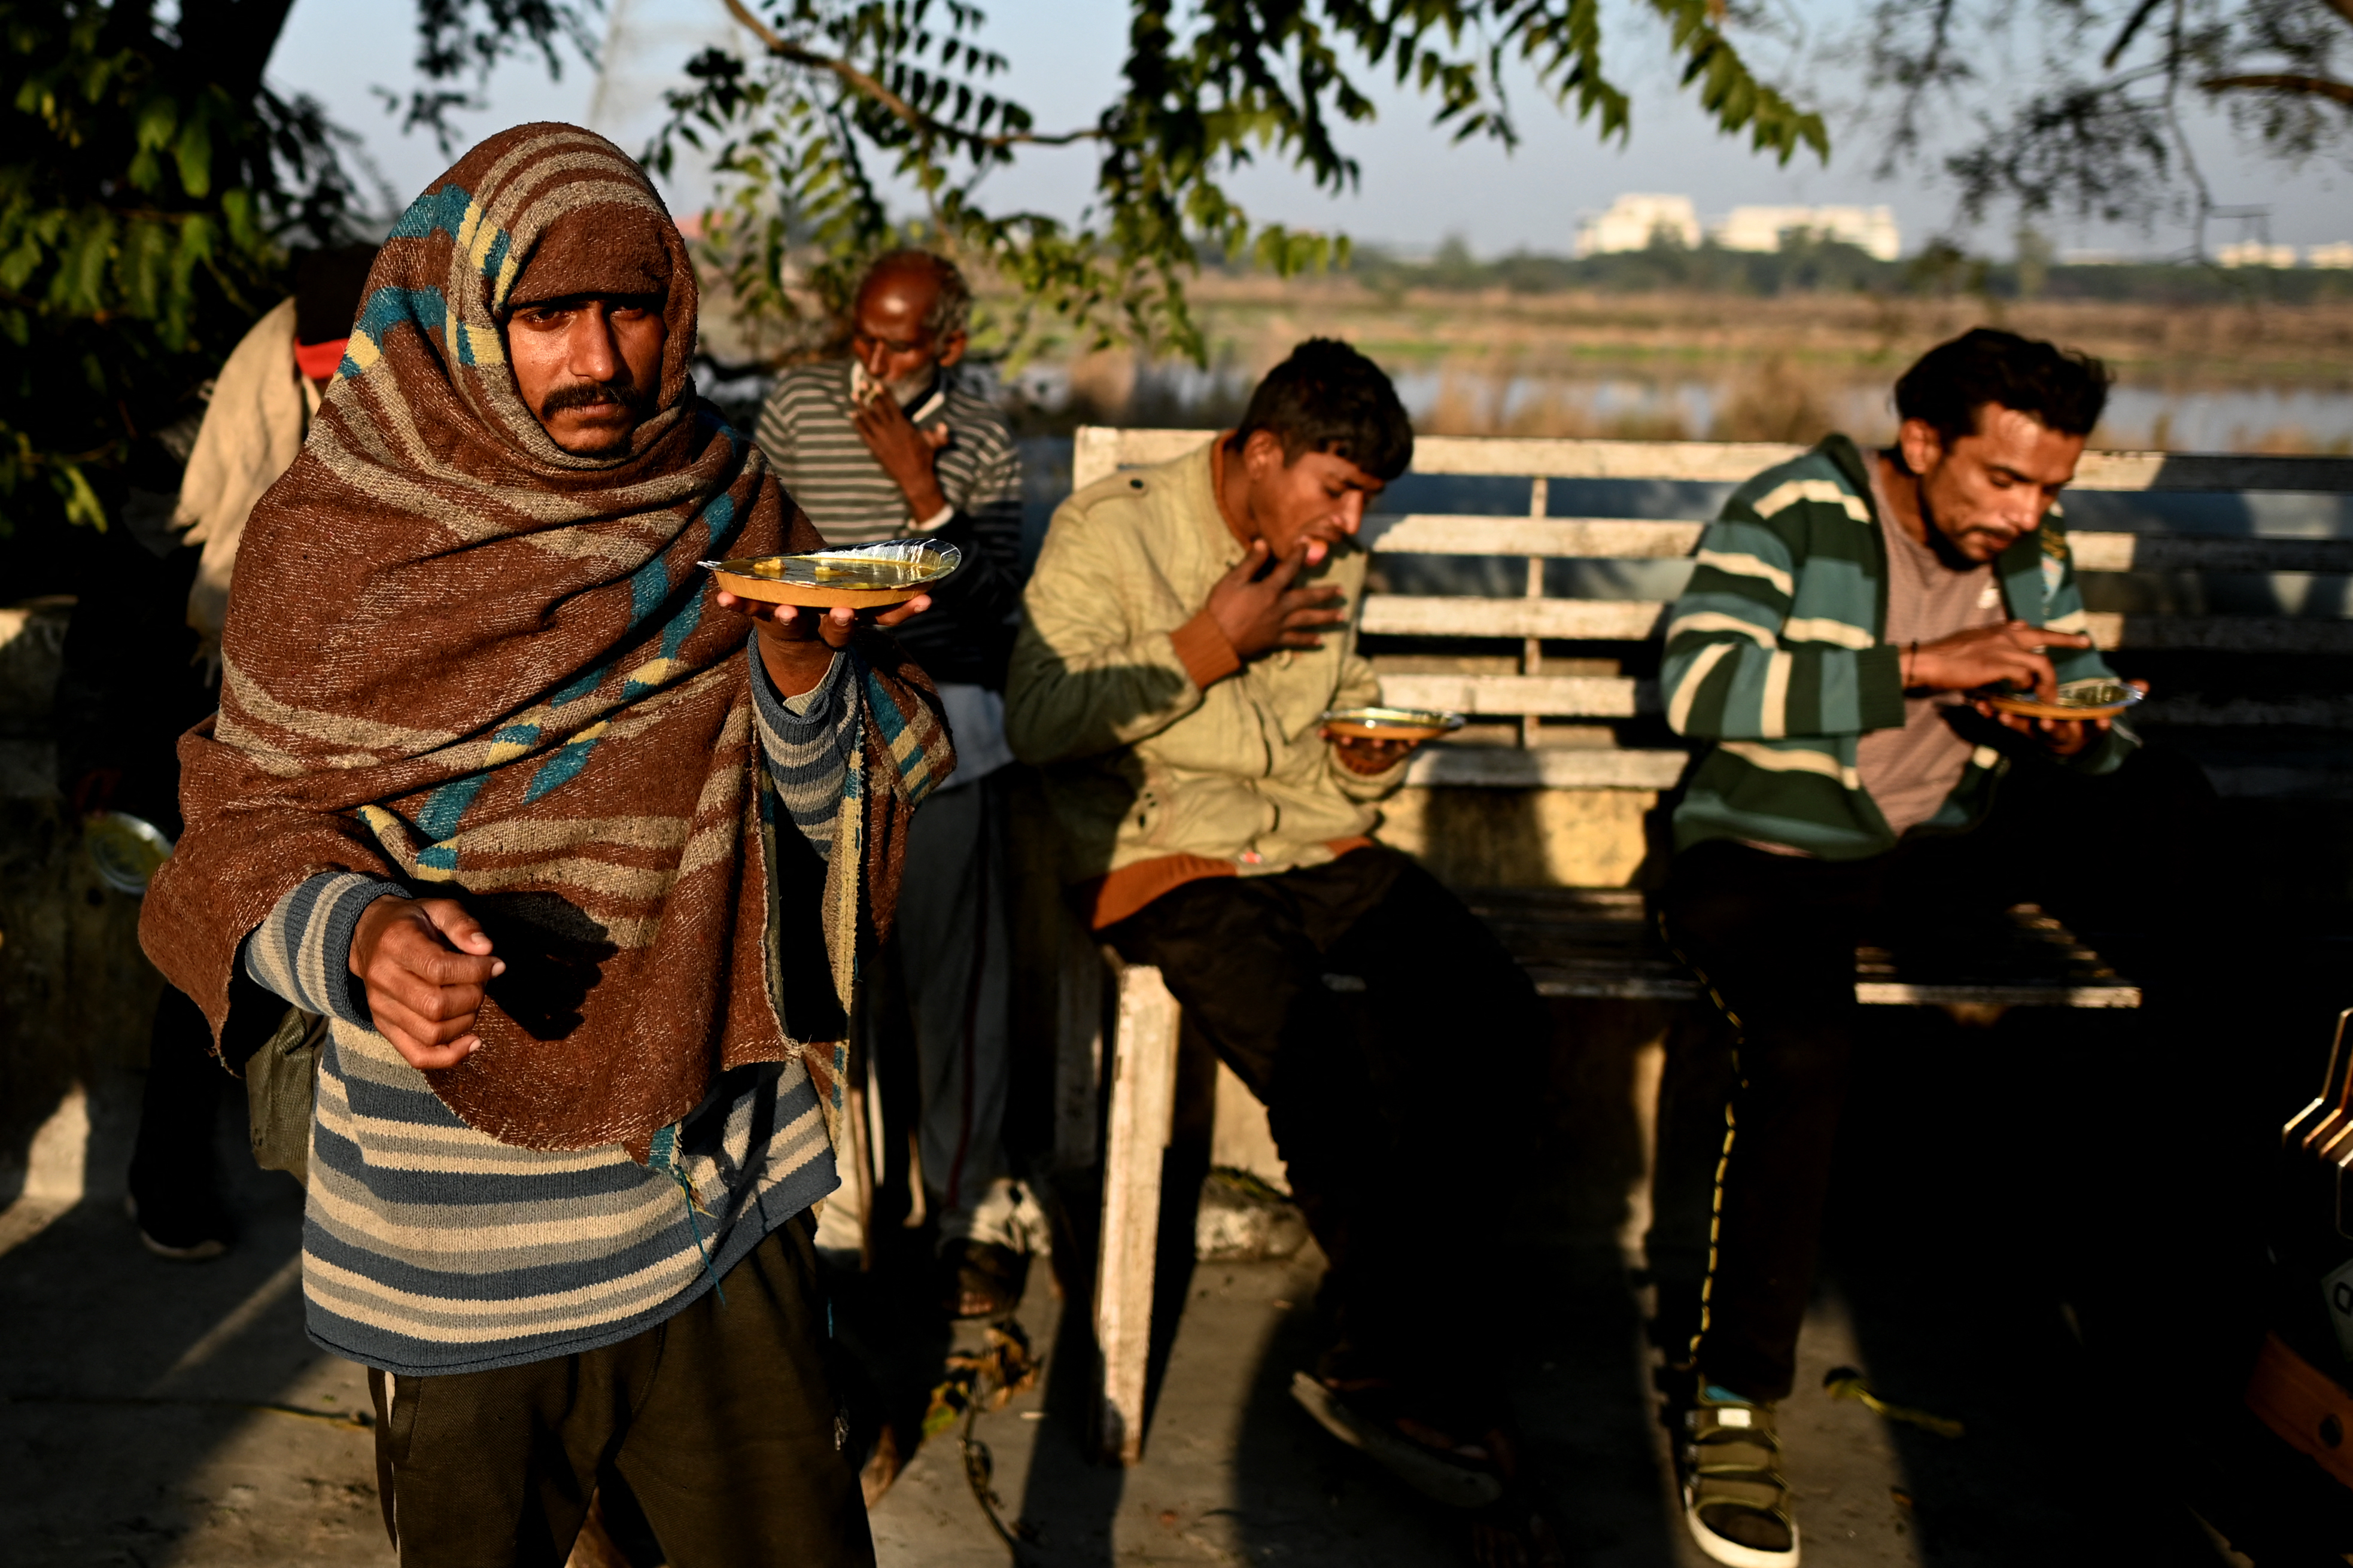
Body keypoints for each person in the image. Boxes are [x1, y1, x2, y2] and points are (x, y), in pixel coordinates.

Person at [138, 123, 953, 1567]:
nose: (598, 362)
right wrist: (363, 943)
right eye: (546, 316)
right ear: (455, 314)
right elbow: (240, 832)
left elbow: (830, 807)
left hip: (717, 1183)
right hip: (466, 1240)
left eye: (629, 309)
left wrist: (804, 679)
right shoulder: (329, 547)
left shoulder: (729, 506)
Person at [1653, 326, 2203, 1567]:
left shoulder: (2028, 549)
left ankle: (2217, 1302)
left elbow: (2086, 694)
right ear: (1919, 442)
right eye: (2003, 479)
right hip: (1770, 848)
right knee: (1803, 1051)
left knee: (2169, 808)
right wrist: (1920, 667)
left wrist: (2073, 735)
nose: (2027, 514)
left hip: (1932, 843)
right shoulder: (1794, 509)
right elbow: (1697, 685)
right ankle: (1733, 1404)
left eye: (2050, 488)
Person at [1005, 338, 1557, 1566]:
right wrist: (1210, 640)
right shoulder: (1113, 532)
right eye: (1336, 490)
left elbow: (1337, 713)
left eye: (1367, 502)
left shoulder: (1331, 554)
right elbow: (1038, 723)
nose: (1350, 526)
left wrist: (1364, 760)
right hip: (1164, 851)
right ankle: (1428, 1385)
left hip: (1308, 839)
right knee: (1322, 1074)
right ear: (1262, 452)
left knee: (1499, 1022)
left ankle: (1377, 1355)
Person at [54, 243, 376, 1259]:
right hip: (206, 726)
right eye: (321, 371)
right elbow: (119, 606)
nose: (337, 393)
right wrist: (98, 749)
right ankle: (168, 1180)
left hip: (351, 735)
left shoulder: (413, 419)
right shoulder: (200, 441)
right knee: (210, 957)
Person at [753, 250, 1036, 1317]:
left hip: (950, 730)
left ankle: (972, 1214)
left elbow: (992, 614)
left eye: (898, 343)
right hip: (822, 720)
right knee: (831, 978)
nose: (872, 360)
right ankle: (840, 1218)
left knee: (955, 988)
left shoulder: (984, 442)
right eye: (862, 335)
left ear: (948, 345)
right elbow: (765, 539)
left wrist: (924, 489)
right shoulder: (800, 409)